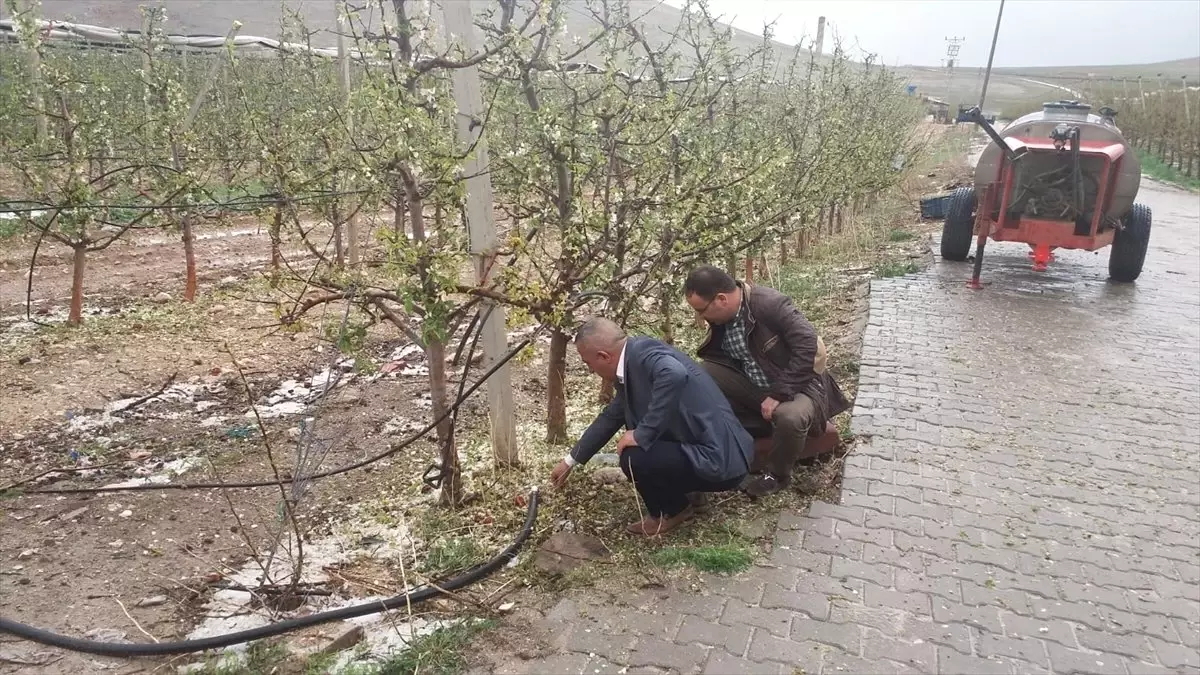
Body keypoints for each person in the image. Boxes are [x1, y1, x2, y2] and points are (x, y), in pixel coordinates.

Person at [549, 317, 754, 536]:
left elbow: (674, 373)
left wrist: (643, 433)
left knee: (634, 455)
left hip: (721, 460)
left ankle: (671, 511)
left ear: (603, 356)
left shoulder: (645, 357)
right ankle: (689, 494)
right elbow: (611, 417)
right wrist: (570, 461)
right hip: (717, 452)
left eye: (588, 363)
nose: (590, 370)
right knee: (643, 446)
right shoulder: (633, 361)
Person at [683, 265, 850, 498]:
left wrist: (779, 394)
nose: (701, 317)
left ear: (721, 299)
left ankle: (777, 475)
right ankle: (740, 434)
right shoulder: (723, 320)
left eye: (701, 310)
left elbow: (808, 346)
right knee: (703, 374)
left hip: (799, 385)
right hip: (757, 382)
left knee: (790, 417)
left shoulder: (769, 304)